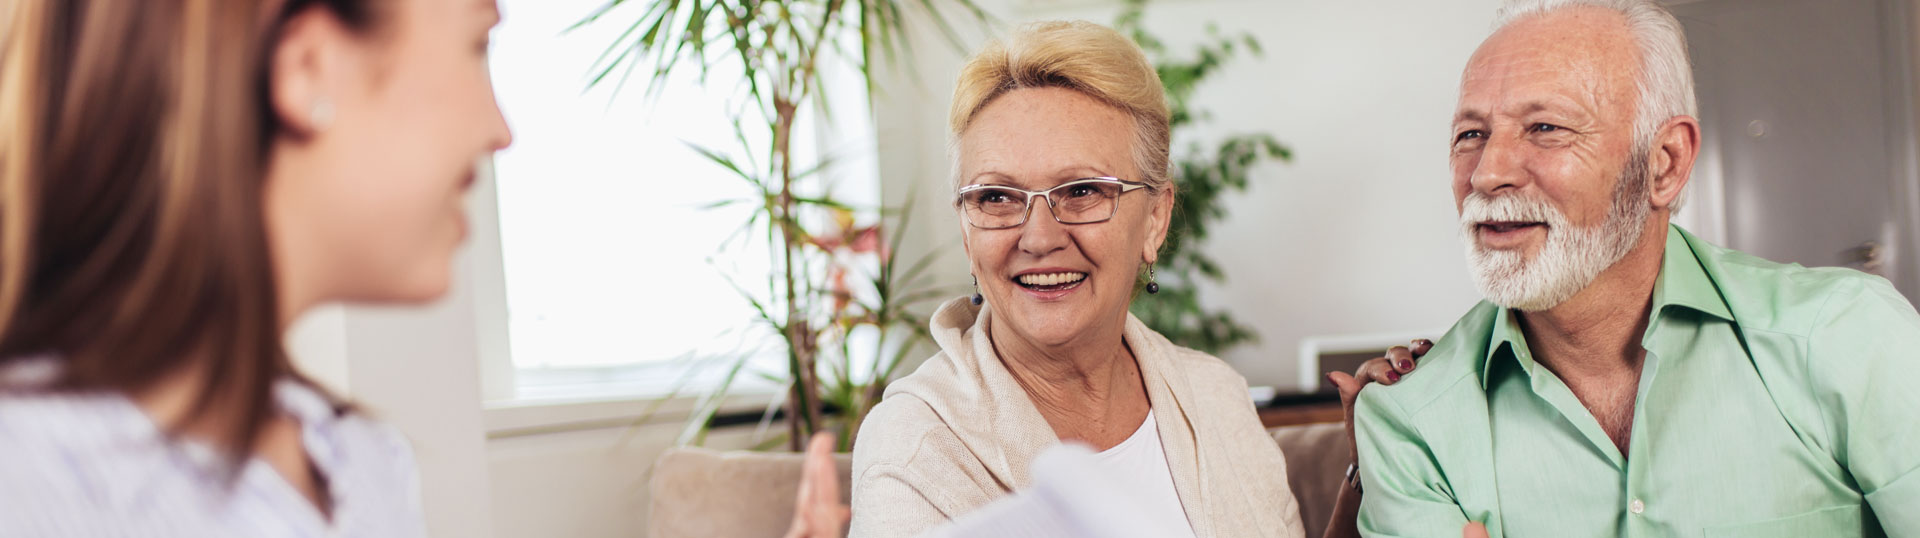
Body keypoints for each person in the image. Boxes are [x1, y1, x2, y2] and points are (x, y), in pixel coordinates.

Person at [0, 1, 846, 536]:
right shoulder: (30, 474)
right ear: (309, 68)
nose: (500, 128)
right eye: (478, 45)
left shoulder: (357, 461)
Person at [1351, 1, 1920, 536]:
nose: (1486, 174)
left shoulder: (1850, 337)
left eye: (1546, 128)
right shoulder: (1409, 421)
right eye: (1471, 134)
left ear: (1664, 163)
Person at [846, 20, 1424, 538]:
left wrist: (1366, 471)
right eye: (997, 197)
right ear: (968, 232)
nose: (1039, 237)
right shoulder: (912, 445)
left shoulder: (1216, 396)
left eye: (1081, 191)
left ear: (1154, 219)